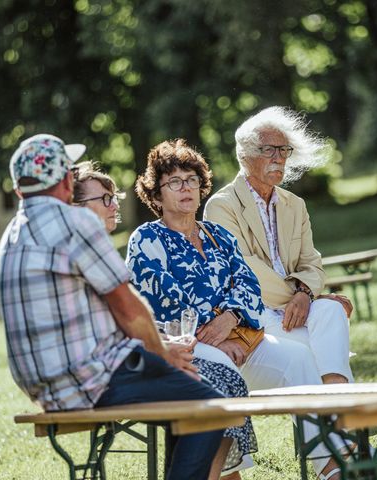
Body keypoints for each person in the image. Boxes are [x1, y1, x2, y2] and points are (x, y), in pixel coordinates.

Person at [0, 134, 226, 480]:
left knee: (187, 398)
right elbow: (128, 306)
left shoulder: (10, 235)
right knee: (209, 409)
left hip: (44, 388)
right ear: (65, 180)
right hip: (91, 380)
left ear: (18, 191)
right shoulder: (75, 223)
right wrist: (162, 352)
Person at [126, 138, 350, 480]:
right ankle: (230, 475)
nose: (185, 188)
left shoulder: (219, 236)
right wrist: (214, 332)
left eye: (192, 180)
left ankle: (332, 467)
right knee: (222, 369)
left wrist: (229, 320)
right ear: (156, 195)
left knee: (298, 358)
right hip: (186, 348)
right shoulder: (147, 239)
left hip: (240, 339)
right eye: (174, 182)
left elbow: (248, 285)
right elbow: (163, 297)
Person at [72, 160, 258, 476]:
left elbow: (247, 281)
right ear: (75, 208)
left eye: (114, 195)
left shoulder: (97, 249)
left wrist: (224, 320)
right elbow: (132, 316)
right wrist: (166, 348)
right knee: (211, 391)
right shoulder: (86, 251)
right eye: (105, 198)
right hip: (106, 373)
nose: (114, 203)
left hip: (132, 359)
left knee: (223, 381)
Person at [203, 106, 354, 387]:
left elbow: (312, 263)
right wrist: (300, 297)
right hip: (251, 311)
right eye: (270, 150)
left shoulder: (294, 205)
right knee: (316, 347)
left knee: (332, 313)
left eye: (284, 150)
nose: (280, 158)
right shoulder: (220, 206)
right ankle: (341, 416)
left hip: (296, 306)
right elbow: (245, 270)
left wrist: (307, 293)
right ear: (245, 154)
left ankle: (336, 407)